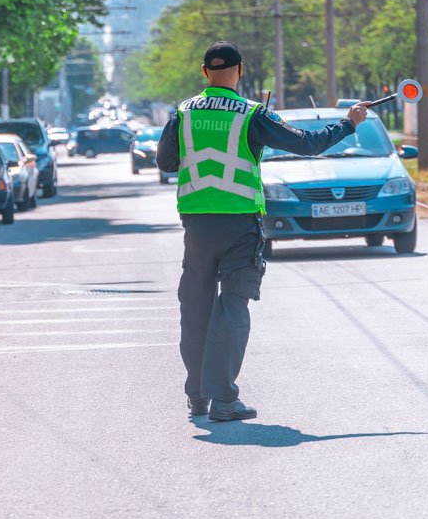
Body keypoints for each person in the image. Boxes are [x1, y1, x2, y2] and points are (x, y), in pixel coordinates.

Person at [156, 41, 369, 422]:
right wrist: (349, 122)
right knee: (232, 307)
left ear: (205, 73)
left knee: (196, 308)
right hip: (239, 224)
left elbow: (167, 162)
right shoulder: (252, 114)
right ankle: (223, 399)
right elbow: (307, 144)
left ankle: (197, 397)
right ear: (240, 71)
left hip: (197, 226)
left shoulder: (183, 113)